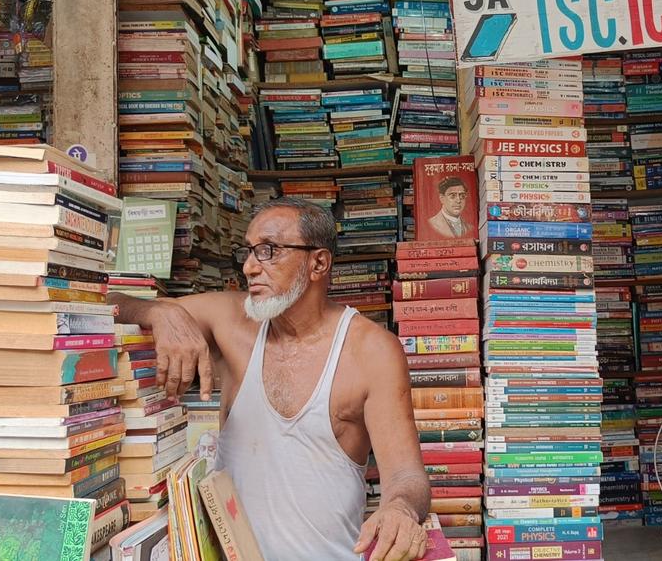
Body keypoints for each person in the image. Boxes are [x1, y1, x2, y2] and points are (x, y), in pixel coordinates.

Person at [109, 197, 431, 561]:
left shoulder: (371, 351)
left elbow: (406, 474)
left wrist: (400, 509)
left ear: (318, 263)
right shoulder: (231, 322)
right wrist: (158, 311)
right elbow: (105, 300)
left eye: (268, 251)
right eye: (247, 251)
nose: (249, 267)